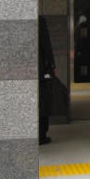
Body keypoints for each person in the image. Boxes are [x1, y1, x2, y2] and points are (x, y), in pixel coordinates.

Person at [38, 15, 56, 145]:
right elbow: (46, 44)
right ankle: (41, 135)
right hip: (39, 71)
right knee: (42, 102)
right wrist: (51, 66)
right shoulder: (40, 21)